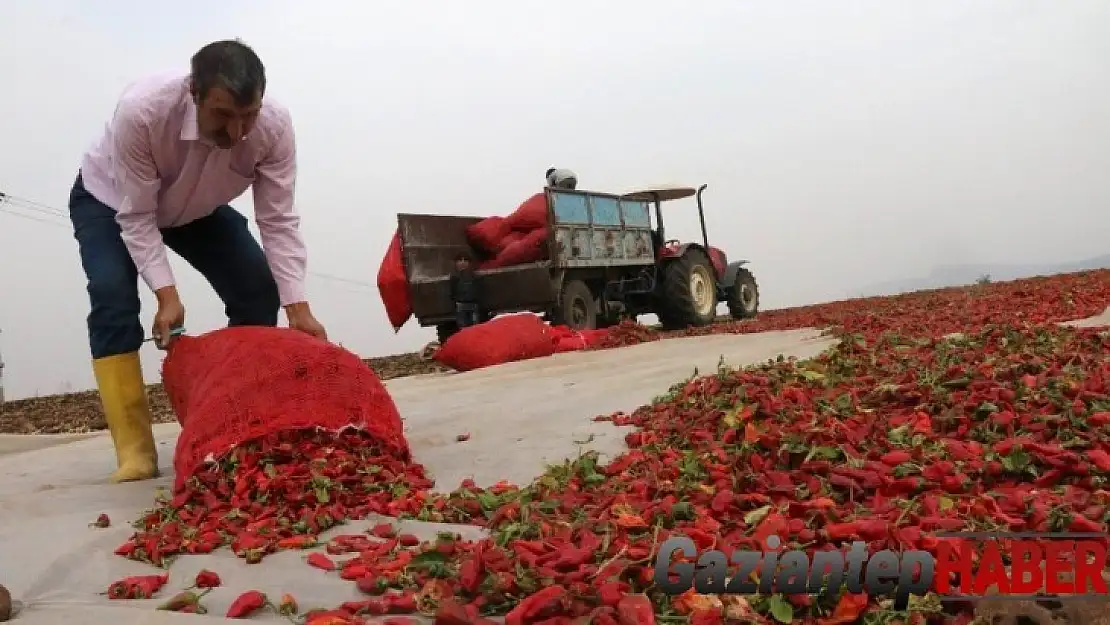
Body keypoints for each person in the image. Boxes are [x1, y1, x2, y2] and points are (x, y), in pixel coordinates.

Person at [69, 39, 327, 483]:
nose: (237, 133)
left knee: (258, 289)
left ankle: (242, 422)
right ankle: (135, 451)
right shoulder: (143, 111)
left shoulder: (274, 127)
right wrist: (167, 296)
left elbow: (278, 219)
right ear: (194, 92)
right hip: (113, 202)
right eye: (223, 115)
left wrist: (297, 308)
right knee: (112, 293)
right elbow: (137, 217)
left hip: (197, 209)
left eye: (248, 115)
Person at [448, 253, 482, 329]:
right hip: (461, 305)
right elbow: (452, 292)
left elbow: (479, 290)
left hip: (473, 305)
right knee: (463, 328)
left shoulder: (474, 276)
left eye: (465, 260)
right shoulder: (454, 277)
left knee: (475, 328)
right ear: (456, 263)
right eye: (460, 260)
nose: (463, 262)